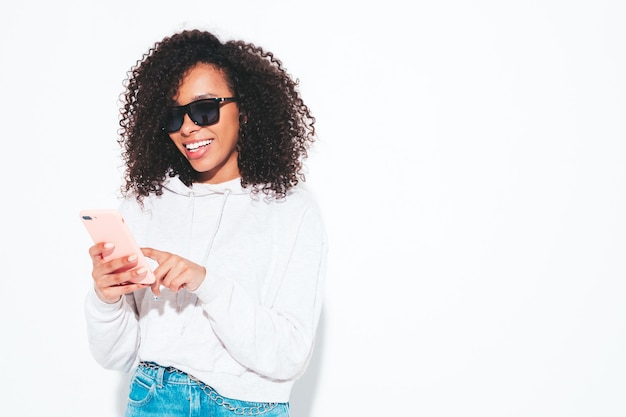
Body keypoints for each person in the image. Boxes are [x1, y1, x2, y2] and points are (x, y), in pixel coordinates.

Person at [84, 29, 327, 417]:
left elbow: (289, 356)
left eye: (205, 109)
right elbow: (118, 356)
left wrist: (206, 283)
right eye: (174, 115)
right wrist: (106, 299)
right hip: (152, 399)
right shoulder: (146, 203)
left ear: (243, 109)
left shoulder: (291, 210)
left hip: (245, 407)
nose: (188, 127)